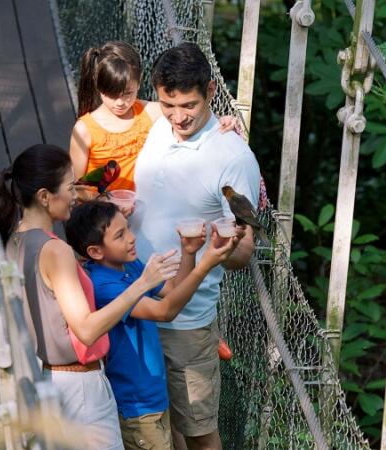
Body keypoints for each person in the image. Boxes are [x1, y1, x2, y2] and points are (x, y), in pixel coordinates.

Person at [0, 144, 182, 450]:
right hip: (81, 390)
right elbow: (87, 329)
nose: (76, 193)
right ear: (44, 197)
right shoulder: (56, 250)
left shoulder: (15, 239)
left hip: (48, 380)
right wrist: (142, 283)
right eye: (69, 187)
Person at [129, 43, 261, 450]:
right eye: (169, 104)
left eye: (189, 104)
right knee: (156, 426)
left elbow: (244, 252)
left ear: (210, 93)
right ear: (156, 93)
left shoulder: (233, 156)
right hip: (134, 303)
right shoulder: (155, 123)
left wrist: (224, 245)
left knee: (198, 431)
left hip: (185, 320)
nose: (179, 116)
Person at [64, 201, 235, 450]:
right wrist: (206, 264)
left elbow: (173, 289)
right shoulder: (103, 285)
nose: (132, 238)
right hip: (136, 406)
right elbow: (164, 312)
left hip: (154, 395)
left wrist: (188, 252)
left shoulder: (127, 264)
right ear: (96, 252)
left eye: (128, 229)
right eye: (120, 235)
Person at [69, 41, 237, 203]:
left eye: (127, 93)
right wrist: (106, 202)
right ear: (98, 87)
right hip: (102, 219)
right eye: (111, 94)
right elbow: (75, 188)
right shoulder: (85, 130)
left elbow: (192, 113)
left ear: (139, 81)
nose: (120, 102)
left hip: (143, 211)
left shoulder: (149, 112)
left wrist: (221, 119)